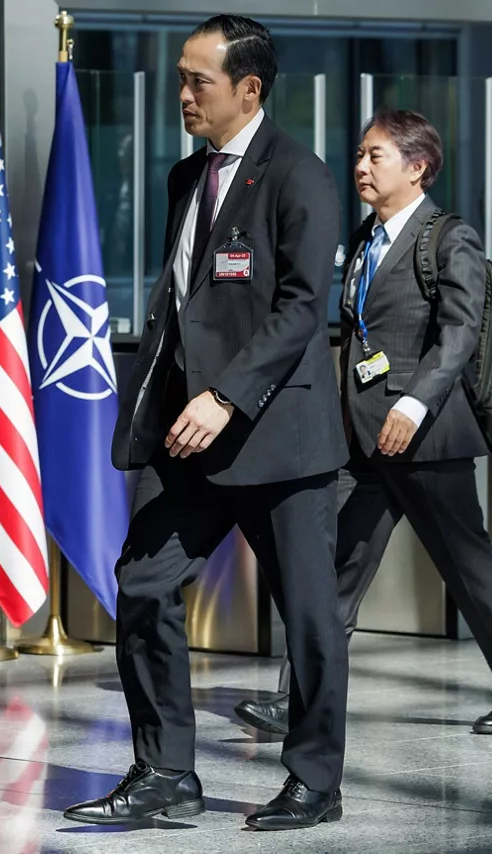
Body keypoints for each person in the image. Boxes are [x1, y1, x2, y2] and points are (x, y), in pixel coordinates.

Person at [62, 15, 350, 831]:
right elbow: (186, 305)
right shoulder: (185, 178)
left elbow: (301, 309)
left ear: (249, 89)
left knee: (311, 618)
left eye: (200, 82)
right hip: (187, 440)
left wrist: (226, 394)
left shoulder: (301, 176)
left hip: (274, 438)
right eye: (182, 78)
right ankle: (164, 769)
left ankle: (315, 781)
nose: (183, 94)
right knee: (143, 585)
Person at [234, 109, 492, 739]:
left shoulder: (447, 237)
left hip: (425, 437)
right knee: (330, 569)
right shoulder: (364, 239)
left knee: (470, 569)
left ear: (419, 166)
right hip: (361, 438)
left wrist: (413, 404)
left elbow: (459, 335)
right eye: (360, 155)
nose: (360, 167)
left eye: (376, 156)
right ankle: (298, 699)